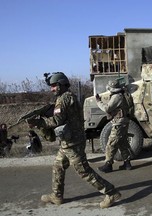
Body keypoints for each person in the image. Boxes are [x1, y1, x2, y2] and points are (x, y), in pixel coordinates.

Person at [26, 72, 121, 208]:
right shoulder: (69, 96)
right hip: (69, 141)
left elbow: (56, 121)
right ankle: (57, 195)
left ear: (60, 85)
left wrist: (38, 122)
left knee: (84, 171)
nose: (51, 89)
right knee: (58, 166)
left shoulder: (63, 99)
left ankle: (111, 193)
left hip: (73, 143)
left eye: (53, 86)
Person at [96, 79, 133, 173]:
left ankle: (108, 164)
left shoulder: (117, 97)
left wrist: (98, 102)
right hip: (124, 121)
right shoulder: (123, 94)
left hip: (119, 123)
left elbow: (107, 108)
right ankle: (127, 163)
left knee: (111, 144)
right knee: (122, 142)